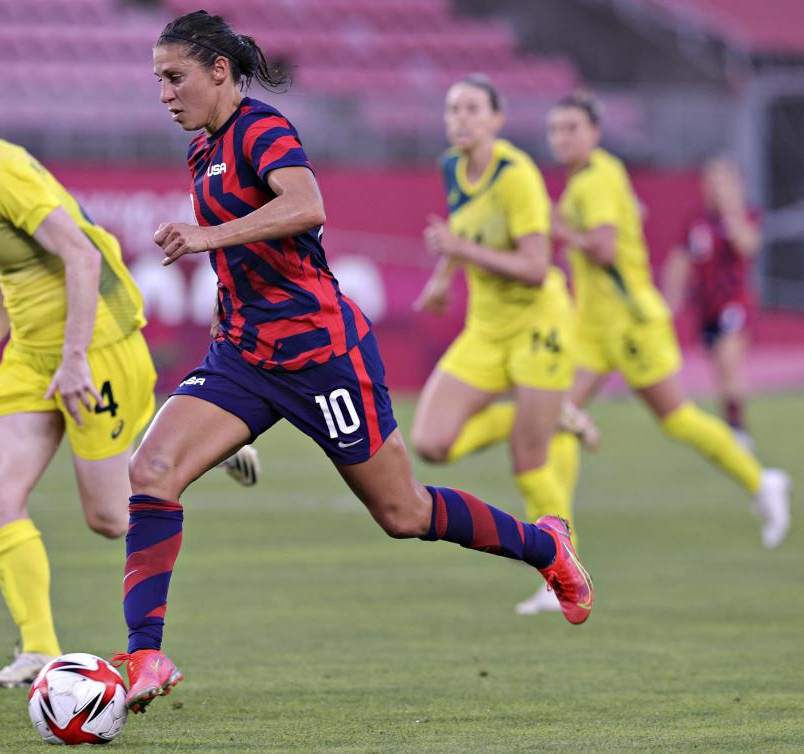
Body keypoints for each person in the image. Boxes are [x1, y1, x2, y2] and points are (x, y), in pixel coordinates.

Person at [111, 10, 595, 716]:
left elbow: (307, 207)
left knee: (403, 512)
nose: (164, 94)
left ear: (220, 71)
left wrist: (209, 233)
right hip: (245, 354)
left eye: (174, 77)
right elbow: (243, 260)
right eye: (157, 80)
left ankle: (545, 546)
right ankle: (145, 655)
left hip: (321, 354)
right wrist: (224, 306)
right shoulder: (201, 150)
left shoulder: (261, 129)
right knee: (151, 470)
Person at [0, 63, 260, 689]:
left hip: (97, 348)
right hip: (32, 358)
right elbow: (15, 271)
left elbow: (82, 257)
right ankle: (36, 650)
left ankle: (187, 435)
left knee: (113, 518)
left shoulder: (0, 174)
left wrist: (74, 359)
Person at [547, 92, 789, 549]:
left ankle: (760, 479)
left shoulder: (594, 180)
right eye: (555, 129)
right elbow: (642, 224)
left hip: (628, 322)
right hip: (595, 325)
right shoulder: (602, 174)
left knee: (676, 418)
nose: (561, 138)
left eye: (571, 128)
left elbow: (603, 246)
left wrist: (556, 229)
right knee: (559, 418)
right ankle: (558, 552)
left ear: (594, 133)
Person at [409, 75, 587, 617]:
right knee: (431, 442)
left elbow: (536, 269)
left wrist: (459, 247)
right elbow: (465, 231)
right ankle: (548, 414)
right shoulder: (451, 167)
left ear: (495, 119)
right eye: (451, 108)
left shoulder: (516, 176)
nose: (459, 118)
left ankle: (560, 575)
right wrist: (444, 276)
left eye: (471, 109)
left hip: (539, 322)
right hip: (486, 328)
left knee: (528, 459)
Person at [663, 158, 762, 448]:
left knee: (730, 357)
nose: (716, 188)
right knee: (720, 367)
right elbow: (679, 260)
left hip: (735, 302)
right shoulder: (697, 222)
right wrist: (672, 299)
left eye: (723, 182)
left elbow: (748, 245)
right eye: (711, 182)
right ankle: (731, 421)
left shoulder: (745, 216)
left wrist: (732, 213)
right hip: (706, 305)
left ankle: (738, 429)